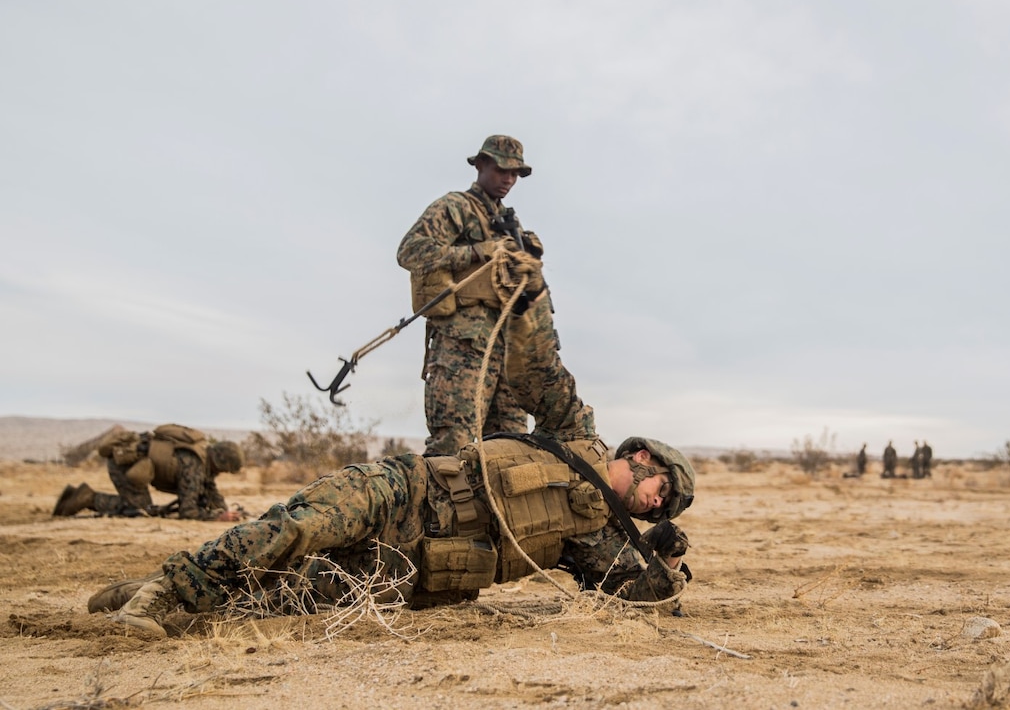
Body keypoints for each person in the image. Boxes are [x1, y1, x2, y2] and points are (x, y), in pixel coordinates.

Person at [95, 282, 696, 637]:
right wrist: (532, 297)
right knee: (295, 531)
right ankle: (160, 591)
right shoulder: (577, 436)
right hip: (405, 491)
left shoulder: (597, 535)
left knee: (283, 595)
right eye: (664, 490)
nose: (657, 504)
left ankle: (162, 596)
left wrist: (665, 559)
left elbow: (635, 595)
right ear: (640, 457)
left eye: (664, 507)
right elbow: (539, 368)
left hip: (418, 569)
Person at [397, 134, 552, 455]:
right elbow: (410, 252)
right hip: (462, 345)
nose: (509, 179)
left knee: (511, 450)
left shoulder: (509, 222)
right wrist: (478, 252)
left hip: (507, 348)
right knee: (453, 448)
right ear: (481, 165)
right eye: (501, 170)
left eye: (515, 174)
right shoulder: (456, 207)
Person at [53, 424, 244, 522]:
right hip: (124, 464)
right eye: (224, 470)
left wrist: (226, 511)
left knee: (143, 508)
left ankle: (76, 496)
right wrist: (217, 518)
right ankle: (87, 498)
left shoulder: (202, 455)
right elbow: (188, 511)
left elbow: (210, 489)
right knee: (139, 510)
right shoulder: (193, 466)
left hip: (133, 462)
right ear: (220, 463)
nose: (221, 473)